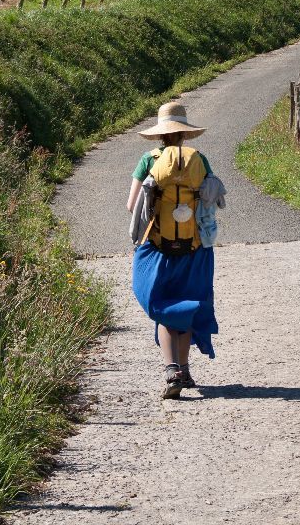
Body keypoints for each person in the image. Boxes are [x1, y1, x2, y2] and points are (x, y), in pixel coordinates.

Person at [127, 98, 219, 399]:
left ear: (159, 133)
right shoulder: (199, 161)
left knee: (164, 306)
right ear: (184, 133)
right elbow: (211, 200)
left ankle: (172, 371)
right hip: (194, 246)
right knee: (189, 302)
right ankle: (185, 368)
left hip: (158, 246)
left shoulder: (148, 160)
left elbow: (132, 206)